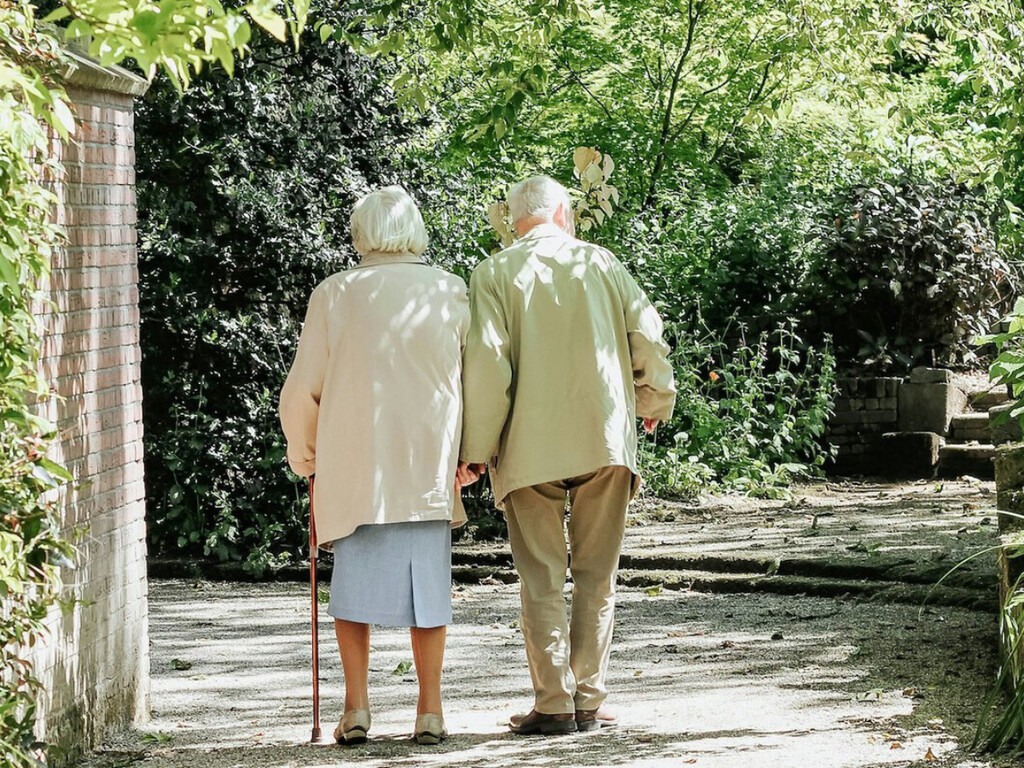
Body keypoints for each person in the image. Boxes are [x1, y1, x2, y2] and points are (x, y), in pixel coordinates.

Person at [457, 175, 677, 735]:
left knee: (541, 577)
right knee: (597, 575)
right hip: (602, 437)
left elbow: (487, 366)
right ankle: (589, 698)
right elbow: (647, 338)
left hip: (528, 447)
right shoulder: (603, 263)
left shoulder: (493, 273)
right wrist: (654, 398)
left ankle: (553, 703)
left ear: (513, 220)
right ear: (563, 213)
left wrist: (475, 450)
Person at [279, 185, 471, 746]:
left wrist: (306, 452)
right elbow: (473, 379)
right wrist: (471, 453)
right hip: (426, 463)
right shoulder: (449, 290)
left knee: (352, 591)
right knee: (429, 591)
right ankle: (430, 710)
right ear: (414, 231)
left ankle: (356, 707)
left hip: (355, 464)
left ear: (361, 233)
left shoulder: (335, 294)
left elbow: (303, 389)